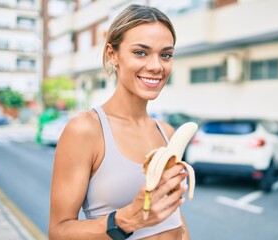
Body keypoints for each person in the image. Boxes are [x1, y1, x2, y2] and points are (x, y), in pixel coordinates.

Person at [48, 4, 191, 240]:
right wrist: (126, 219)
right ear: (112, 54)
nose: (156, 66)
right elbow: (58, 232)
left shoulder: (166, 132)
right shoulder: (86, 130)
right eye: (140, 52)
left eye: (166, 54)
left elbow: (175, 218)